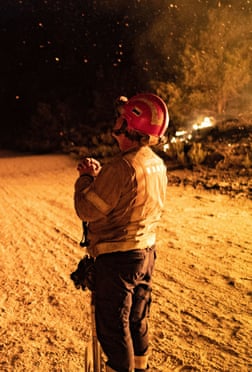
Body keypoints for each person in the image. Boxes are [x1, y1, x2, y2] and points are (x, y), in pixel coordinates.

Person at [73, 93, 169, 372]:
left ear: (127, 126)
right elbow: (129, 196)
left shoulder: (121, 167)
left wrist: (87, 178)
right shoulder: (154, 162)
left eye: (120, 117)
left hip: (117, 260)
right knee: (137, 321)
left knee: (114, 330)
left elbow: (87, 210)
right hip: (145, 254)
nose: (115, 120)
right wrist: (103, 178)